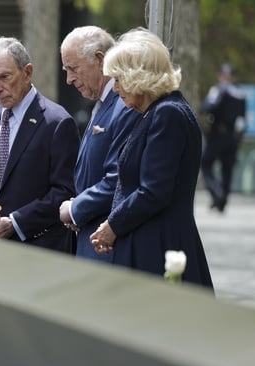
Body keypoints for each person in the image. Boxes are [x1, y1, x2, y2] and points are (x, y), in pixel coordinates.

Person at [89, 28, 213, 287]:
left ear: (139, 76)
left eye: (119, 80)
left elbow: (154, 190)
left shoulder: (168, 114)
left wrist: (113, 226)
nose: (117, 89)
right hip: (150, 243)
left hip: (158, 248)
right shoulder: (156, 112)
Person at [0, 36, 79, 253]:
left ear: (28, 72)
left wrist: (15, 222)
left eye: (5, 77)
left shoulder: (57, 122)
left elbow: (64, 191)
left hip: (41, 250)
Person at [58, 26, 139, 262]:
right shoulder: (103, 103)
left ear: (100, 59)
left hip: (108, 246)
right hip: (93, 239)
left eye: (73, 69)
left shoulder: (124, 103)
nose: (69, 79)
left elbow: (119, 178)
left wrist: (75, 209)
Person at [200, 63, 247, 213]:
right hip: (232, 136)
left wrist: (203, 112)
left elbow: (208, 107)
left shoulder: (218, 90)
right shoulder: (240, 94)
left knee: (206, 164)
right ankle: (222, 201)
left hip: (218, 133)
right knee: (227, 169)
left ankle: (217, 191)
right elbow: (242, 119)